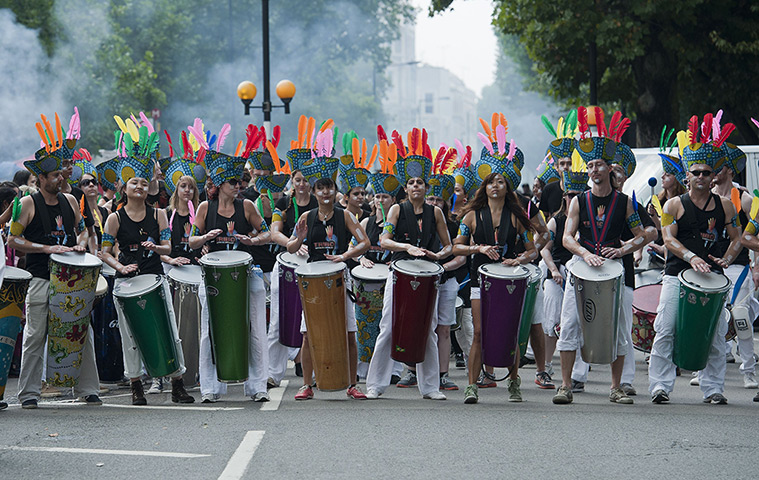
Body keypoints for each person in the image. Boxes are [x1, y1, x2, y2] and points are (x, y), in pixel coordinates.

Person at [552, 107, 648, 406]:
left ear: (610, 169)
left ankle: (616, 387)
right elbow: (567, 237)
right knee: (569, 324)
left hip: (614, 268)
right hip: (581, 267)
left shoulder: (624, 203)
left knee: (618, 326)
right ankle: (565, 386)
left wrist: (622, 250)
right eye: (590, 165)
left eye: (599, 165)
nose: (594, 170)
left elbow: (646, 234)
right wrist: (583, 253)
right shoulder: (579, 201)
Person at [9, 111, 101, 409]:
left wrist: (80, 247)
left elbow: (83, 233)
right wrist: (46, 249)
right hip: (40, 278)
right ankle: (29, 394)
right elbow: (13, 240)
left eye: (62, 174)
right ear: (41, 178)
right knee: (36, 336)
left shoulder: (71, 200)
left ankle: (89, 389)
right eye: (54, 176)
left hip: (71, 279)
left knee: (81, 331)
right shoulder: (27, 203)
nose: (61, 178)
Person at [648, 116, 742, 405]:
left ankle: (713, 388)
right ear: (686, 176)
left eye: (705, 173)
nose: (700, 177)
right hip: (677, 274)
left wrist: (726, 258)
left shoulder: (726, 205)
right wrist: (691, 257)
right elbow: (668, 239)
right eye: (695, 172)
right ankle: (660, 386)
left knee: (714, 334)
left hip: (712, 277)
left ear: (713, 176)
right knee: (666, 327)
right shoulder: (673, 205)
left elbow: (738, 237)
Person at [101, 124, 195, 406]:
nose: (140, 186)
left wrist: (157, 248)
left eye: (144, 182)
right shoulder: (114, 218)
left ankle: (177, 384)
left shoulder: (159, 215)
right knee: (129, 335)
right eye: (134, 183)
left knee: (168, 328)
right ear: (124, 187)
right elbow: (104, 252)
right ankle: (135, 387)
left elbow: (168, 247)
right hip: (126, 283)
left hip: (154, 278)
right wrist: (120, 268)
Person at [365, 127, 452, 401]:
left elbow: (448, 243)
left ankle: (430, 387)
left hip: (428, 275)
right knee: (388, 327)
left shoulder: (435, 212)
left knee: (429, 329)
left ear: (426, 188)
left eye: (420, 182)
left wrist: (440, 255)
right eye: (412, 182)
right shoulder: (395, 210)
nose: (416, 186)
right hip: (398, 273)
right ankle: (375, 384)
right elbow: (385, 240)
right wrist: (407, 247)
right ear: (405, 188)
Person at [188, 121, 271, 403]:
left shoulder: (246, 206)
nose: (238, 187)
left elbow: (267, 233)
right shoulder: (205, 208)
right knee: (208, 331)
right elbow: (191, 241)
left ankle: (257, 386)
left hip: (248, 274)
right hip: (213, 276)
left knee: (256, 331)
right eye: (233, 183)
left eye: (240, 182)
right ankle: (211, 388)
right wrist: (205, 238)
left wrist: (253, 241)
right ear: (218, 185)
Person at [286, 125, 370, 400]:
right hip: (312, 280)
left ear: (335, 190)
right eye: (320, 187)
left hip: (339, 278)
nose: (324, 192)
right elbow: (291, 247)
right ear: (314, 189)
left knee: (348, 333)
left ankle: (352, 383)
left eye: (329, 187)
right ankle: (307, 384)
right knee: (309, 334)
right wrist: (298, 239)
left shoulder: (345, 216)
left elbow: (365, 243)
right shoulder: (306, 217)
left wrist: (345, 257)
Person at [266, 124, 318, 389]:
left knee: (313, 322)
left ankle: (317, 371)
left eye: (306, 180)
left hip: (316, 267)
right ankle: (273, 374)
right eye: (297, 179)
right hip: (286, 266)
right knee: (278, 320)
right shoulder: (282, 204)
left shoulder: (322, 205)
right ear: (292, 181)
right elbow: (274, 233)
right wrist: (294, 244)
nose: (302, 184)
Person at [348, 140, 403, 380]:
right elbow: (353, 248)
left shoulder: (399, 223)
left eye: (385, 196)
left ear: (393, 200)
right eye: (377, 195)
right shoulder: (366, 223)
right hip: (366, 284)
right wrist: (360, 260)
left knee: (392, 325)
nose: (380, 200)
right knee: (364, 325)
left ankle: (395, 369)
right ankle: (364, 369)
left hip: (391, 280)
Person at [710, 140, 758, 387]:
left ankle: (749, 370)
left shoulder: (746, 199)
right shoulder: (703, 198)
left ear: (728, 169)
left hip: (738, 267)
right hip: (709, 268)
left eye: (717, 165)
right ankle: (704, 369)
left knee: (740, 317)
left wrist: (757, 267)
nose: (712, 170)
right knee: (709, 319)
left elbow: (755, 235)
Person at [539, 110, 578, 217]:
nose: (566, 167)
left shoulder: (584, 190)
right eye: (562, 164)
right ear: (556, 166)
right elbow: (545, 217)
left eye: (569, 164)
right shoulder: (548, 190)